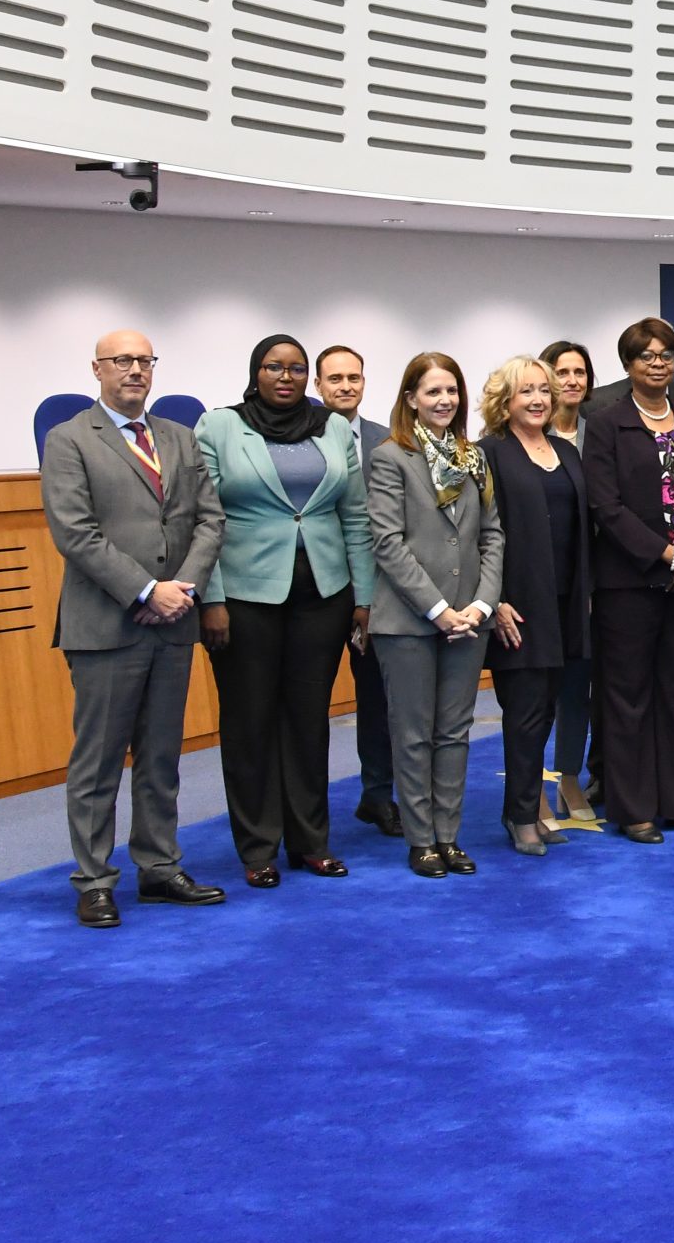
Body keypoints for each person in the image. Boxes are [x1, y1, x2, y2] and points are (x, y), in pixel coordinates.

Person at [42, 331, 227, 927]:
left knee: (160, 756)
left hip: (173, 623)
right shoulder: (69, 439)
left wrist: (183, 590)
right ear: (97, 368)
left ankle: (159, 867)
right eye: (123, 361)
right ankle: (94, 880)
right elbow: (76, 533)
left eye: (145, 361)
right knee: (97, 763)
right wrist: (146, 590)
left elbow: (210, 520)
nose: (136, 371)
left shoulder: (176, 436)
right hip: (106, 627)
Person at [195, 335, 373, 887]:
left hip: (323, 593)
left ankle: (311, 842)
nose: (286, 376)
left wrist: (362, 597)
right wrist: (213, 598)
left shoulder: (335, 428)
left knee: (307, 722)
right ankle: (257, 848)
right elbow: (205, 519)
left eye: (297, 368)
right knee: (249, 723)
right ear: (256, 372)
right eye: (275, 367)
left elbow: (356, 516)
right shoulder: (219, 426)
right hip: (245, 597)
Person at [582, 316, 674, 844]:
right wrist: (669, 555)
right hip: (630, 583)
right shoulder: (605, 423)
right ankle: (634, 807)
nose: (658, 363)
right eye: (647, 355)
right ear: (628, 364)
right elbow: (606, 506)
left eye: (666, 354)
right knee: (628, 697)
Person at [364, 352, 504, 877]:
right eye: (433, 392)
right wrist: (440, 609)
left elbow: (493, 536)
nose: (445, 401)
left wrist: (482, 604)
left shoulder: (474, 458)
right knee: (414, 733)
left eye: (452, 391)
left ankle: (450, 836)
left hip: (471, 618)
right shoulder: (389, 457)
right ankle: (420, 839)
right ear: (411, 400)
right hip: (409, 622)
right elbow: (387, 543)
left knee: (455, 732)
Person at [480, 355, 591, 856]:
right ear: (505, 400)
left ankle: (522, 807)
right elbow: (476, 536)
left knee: (546, 709)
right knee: (524, 712)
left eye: (544, 391)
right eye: (526, 391)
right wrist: (495, 600)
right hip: (518, 606)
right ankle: (522, 815)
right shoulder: (489, 454)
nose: (538, 399)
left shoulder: (566, 453)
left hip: (566, 602)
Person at [315, 345, 399, 840]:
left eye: (354, 377)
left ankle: (377, 795)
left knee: (377, 699)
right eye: (335, 379)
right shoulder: (301, 441)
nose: (346, 386)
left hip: (380, 592)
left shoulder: (388, 441)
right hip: (318, 590)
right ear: (318, 387)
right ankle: (308, 809)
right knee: (310, 703)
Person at [537, 338, 598, 827]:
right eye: (562, 372)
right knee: (536, 691)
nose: (572, 381)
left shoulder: (600, 433)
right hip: (539, 584)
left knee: (579, 685)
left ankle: (571, 777)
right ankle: (530, 788)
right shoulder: (516, 438)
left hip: (595, 583)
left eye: (580, 372)